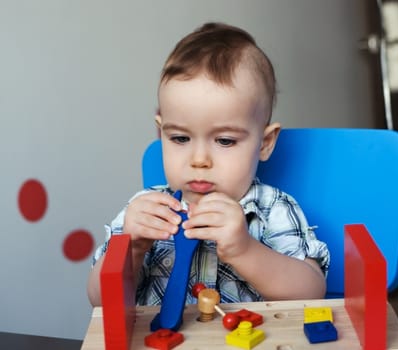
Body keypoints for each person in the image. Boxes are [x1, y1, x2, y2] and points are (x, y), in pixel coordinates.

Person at [87, 22, 329, 307]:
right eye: (179, 138)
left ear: (264, 143)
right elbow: (100, 302)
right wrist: (132, 248)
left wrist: (245, 250)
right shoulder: (142, 211)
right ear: (160, 133)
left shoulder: (273, 208)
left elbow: (311, 292)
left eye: (225, 141)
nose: (199, 160)